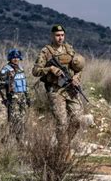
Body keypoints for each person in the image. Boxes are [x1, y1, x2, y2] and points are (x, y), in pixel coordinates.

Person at [32, 24, 85, 152]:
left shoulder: (69, 49)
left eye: (62, 35)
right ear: (52, 36)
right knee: (62, 122)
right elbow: (35, 71)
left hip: (70, 89)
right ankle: (63, 151)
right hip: (55, 91)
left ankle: (64, 144)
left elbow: (79, 68)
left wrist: (76, 78)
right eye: (57, 35)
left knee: (77, 119)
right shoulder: (46, 51)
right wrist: (50, 69)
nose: (60, 38)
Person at [0, 48, 30, 143]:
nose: (16, 59)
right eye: (14, 57)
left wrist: (28, 97)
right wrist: (5, 99)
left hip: (22, 98)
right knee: (15, 120)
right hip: (13, 98)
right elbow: (1, 86)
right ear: (10, 58)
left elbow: (25, 83)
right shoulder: (5, 70)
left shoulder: (21, 68)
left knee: (22, 120)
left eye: (17, 57)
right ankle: (20, 141)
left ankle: (7, 140)